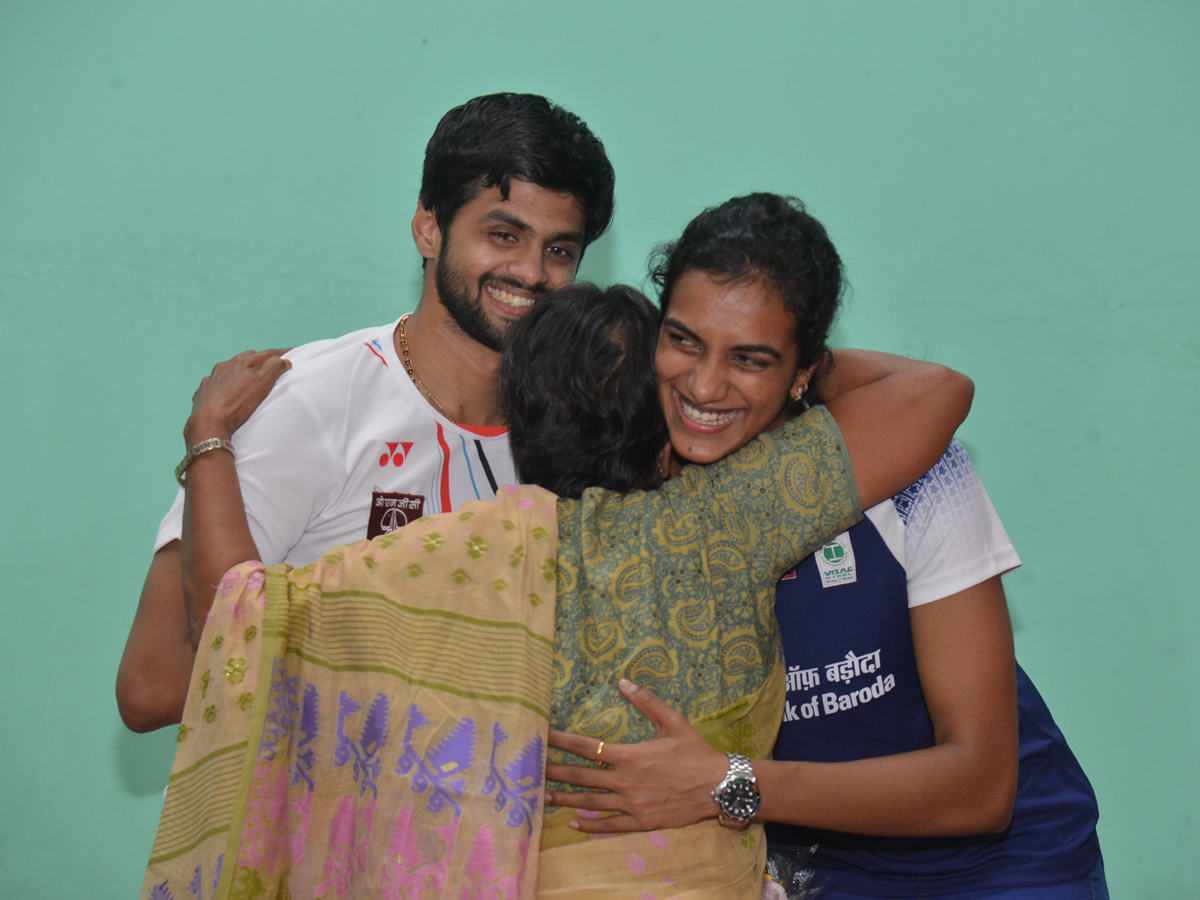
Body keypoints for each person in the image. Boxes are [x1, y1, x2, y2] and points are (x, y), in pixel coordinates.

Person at [140, 284, 972, 899]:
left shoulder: (441, 564)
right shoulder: (731, 523)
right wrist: (773, 370)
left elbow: (236, 618)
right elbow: (936, 392)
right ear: (665, 417)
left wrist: (210, 441)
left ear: (517, 421)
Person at [546, 194, 1107, 899]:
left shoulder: (909, 470)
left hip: (999, 867)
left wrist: (729, 786)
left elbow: (981, 787)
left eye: (752, 358)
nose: (705, 384)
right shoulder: (631, 496)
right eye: (685, 339)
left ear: (805, 369)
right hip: (811, 870)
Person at [116, 92, 616, 732]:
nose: (531, 272)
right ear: (429, 226)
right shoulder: (309, 401)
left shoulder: (578, 431)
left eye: (560, 251)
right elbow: (151, 687)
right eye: (503, 235)